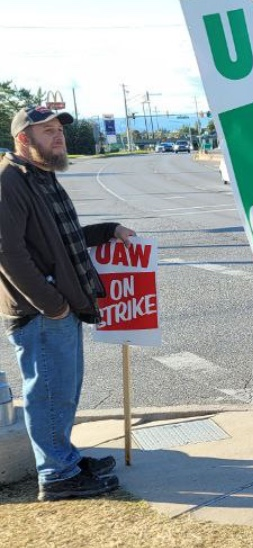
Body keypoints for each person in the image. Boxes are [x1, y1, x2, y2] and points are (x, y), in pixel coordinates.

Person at [1, 106, 137, 501]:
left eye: (58, 129)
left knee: (62, 391)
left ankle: (66, 459)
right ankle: (57, 475)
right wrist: (52, 304)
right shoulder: (9, 181)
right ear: (23, 139)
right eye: (47, 131)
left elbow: (61, 237)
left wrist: (107, 230)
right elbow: (7, 252)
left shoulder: (40, 177)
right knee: (47, 393)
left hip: (58, 305)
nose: (57, 136)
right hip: (40, 310)